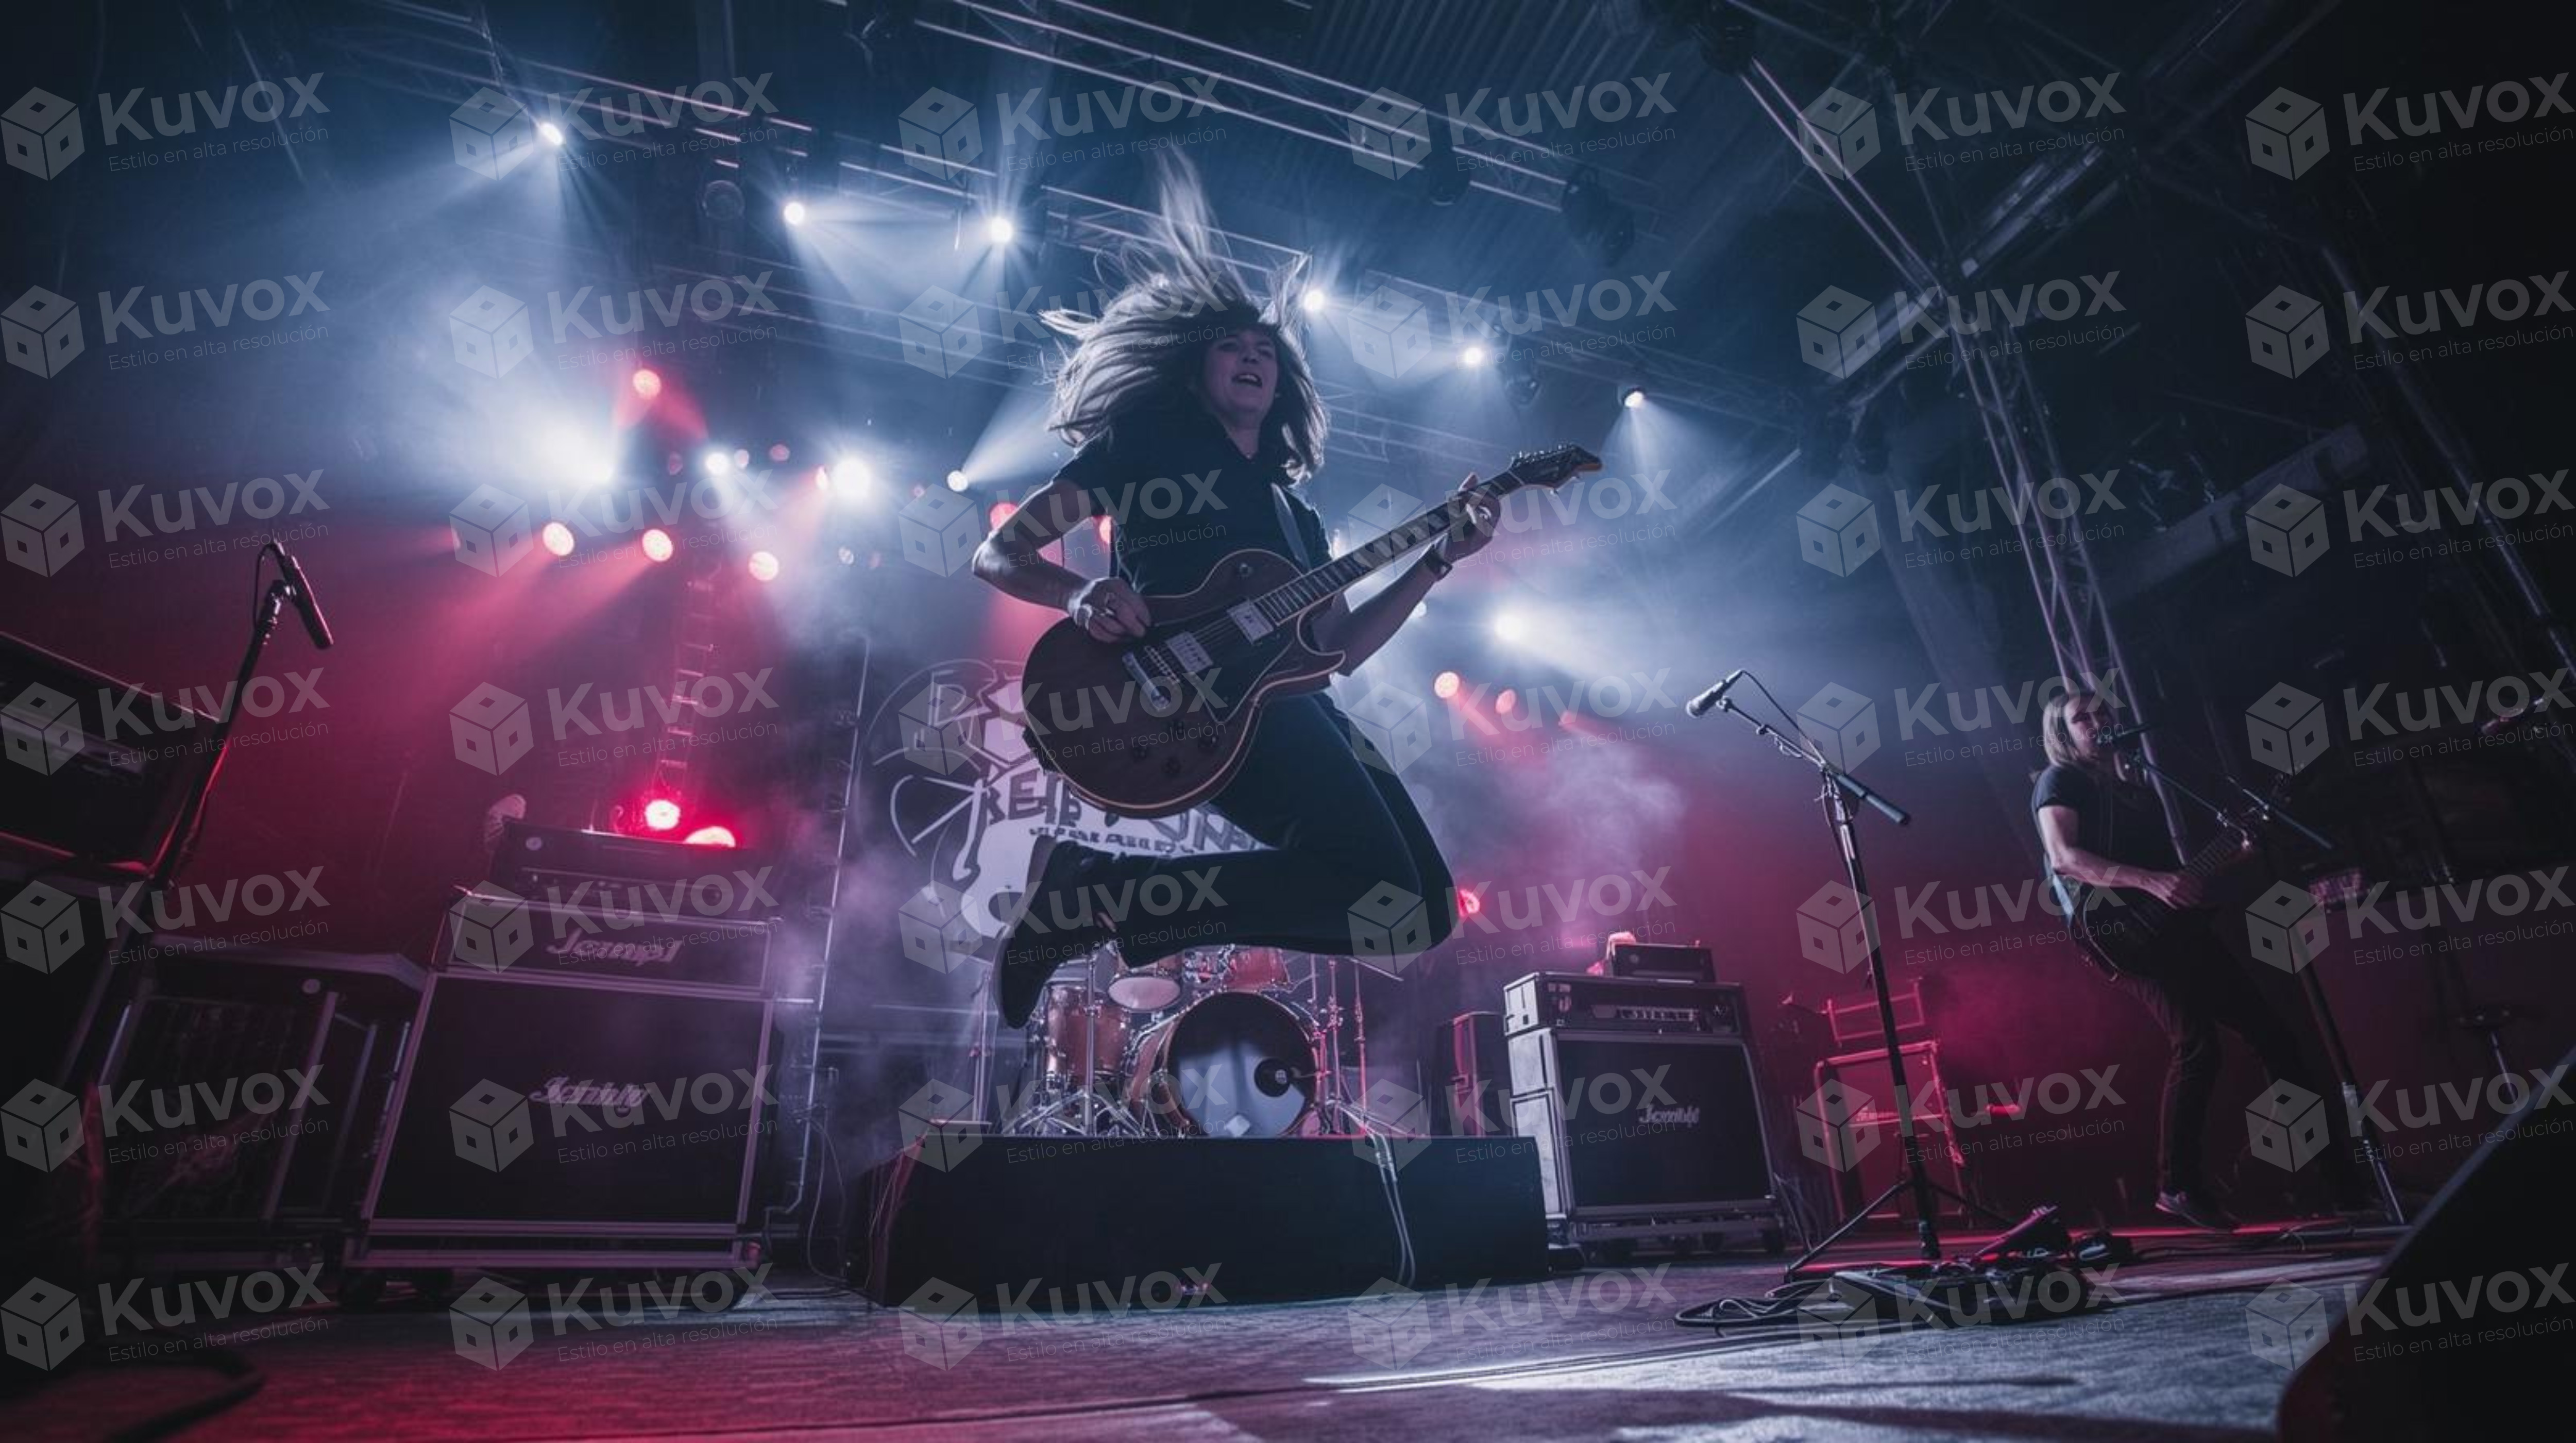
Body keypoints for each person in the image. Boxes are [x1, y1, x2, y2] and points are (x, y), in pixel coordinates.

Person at [970, 155, 1494, 1028]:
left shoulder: (1300, 523)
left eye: (1266, 352)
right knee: (1384, 884)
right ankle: (1098, 888)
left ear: (1282, 383)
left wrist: (1438, 560)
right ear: (1196, 371)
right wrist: (1080, 596)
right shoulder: (1147, 446)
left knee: (1421, 910)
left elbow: (1338, 653)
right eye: (1232, 346)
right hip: (1179, 701)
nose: (1253, 357)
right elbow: (999, 553)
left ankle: (1098, 894)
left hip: (1290, 703)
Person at [2032, 689, 2358, 1229]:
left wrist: (2232, 855)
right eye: (2080, 718)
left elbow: (2176, 881)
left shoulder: (2135, 788)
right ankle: (2177, 1184)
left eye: (2102, 713)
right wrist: (2152, 881)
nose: (2096, 723)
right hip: (2117, 931)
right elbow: (2065, 859)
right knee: (2196, 1044)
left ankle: (2341, 1184)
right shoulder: (2059, 781)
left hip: (2174, 928)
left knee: (2275, 1038)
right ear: (2063, 733)